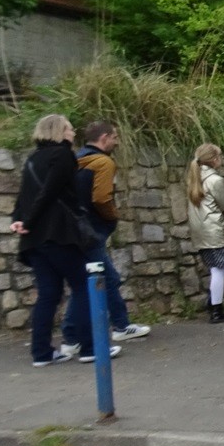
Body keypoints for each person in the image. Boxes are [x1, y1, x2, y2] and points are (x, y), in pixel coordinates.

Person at [10, 114, 118, 366]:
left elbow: (25, 194)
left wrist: (19, 219)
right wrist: (29, 220)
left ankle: (41, 353)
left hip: (35, 240)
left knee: (48, 293)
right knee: (83, 286)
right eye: (69, 129)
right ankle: (90, 347)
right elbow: (50, 191)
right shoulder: (63, 155)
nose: (72, 133)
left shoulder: (33, 158)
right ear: (59, 131)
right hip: (58, 234)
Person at [63, 120, 150, 347]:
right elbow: (102, 197)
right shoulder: (103, 162)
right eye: (114, 137)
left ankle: (71, 337)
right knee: (108, 279)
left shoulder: (76, 161)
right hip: (94, 229)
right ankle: (119, 326)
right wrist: (112, 216)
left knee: (85, 281)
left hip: (77, 228)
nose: (116, 141)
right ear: (103, 138)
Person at [186, 143, 224, 324]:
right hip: (215, 230)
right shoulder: (215, 180)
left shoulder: (195, 178)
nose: (221, 159)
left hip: (202, 230)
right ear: (214, 160)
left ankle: (213, 301)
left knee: (221, 265)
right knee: (219, 269)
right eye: (219, 156)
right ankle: (216, 309)